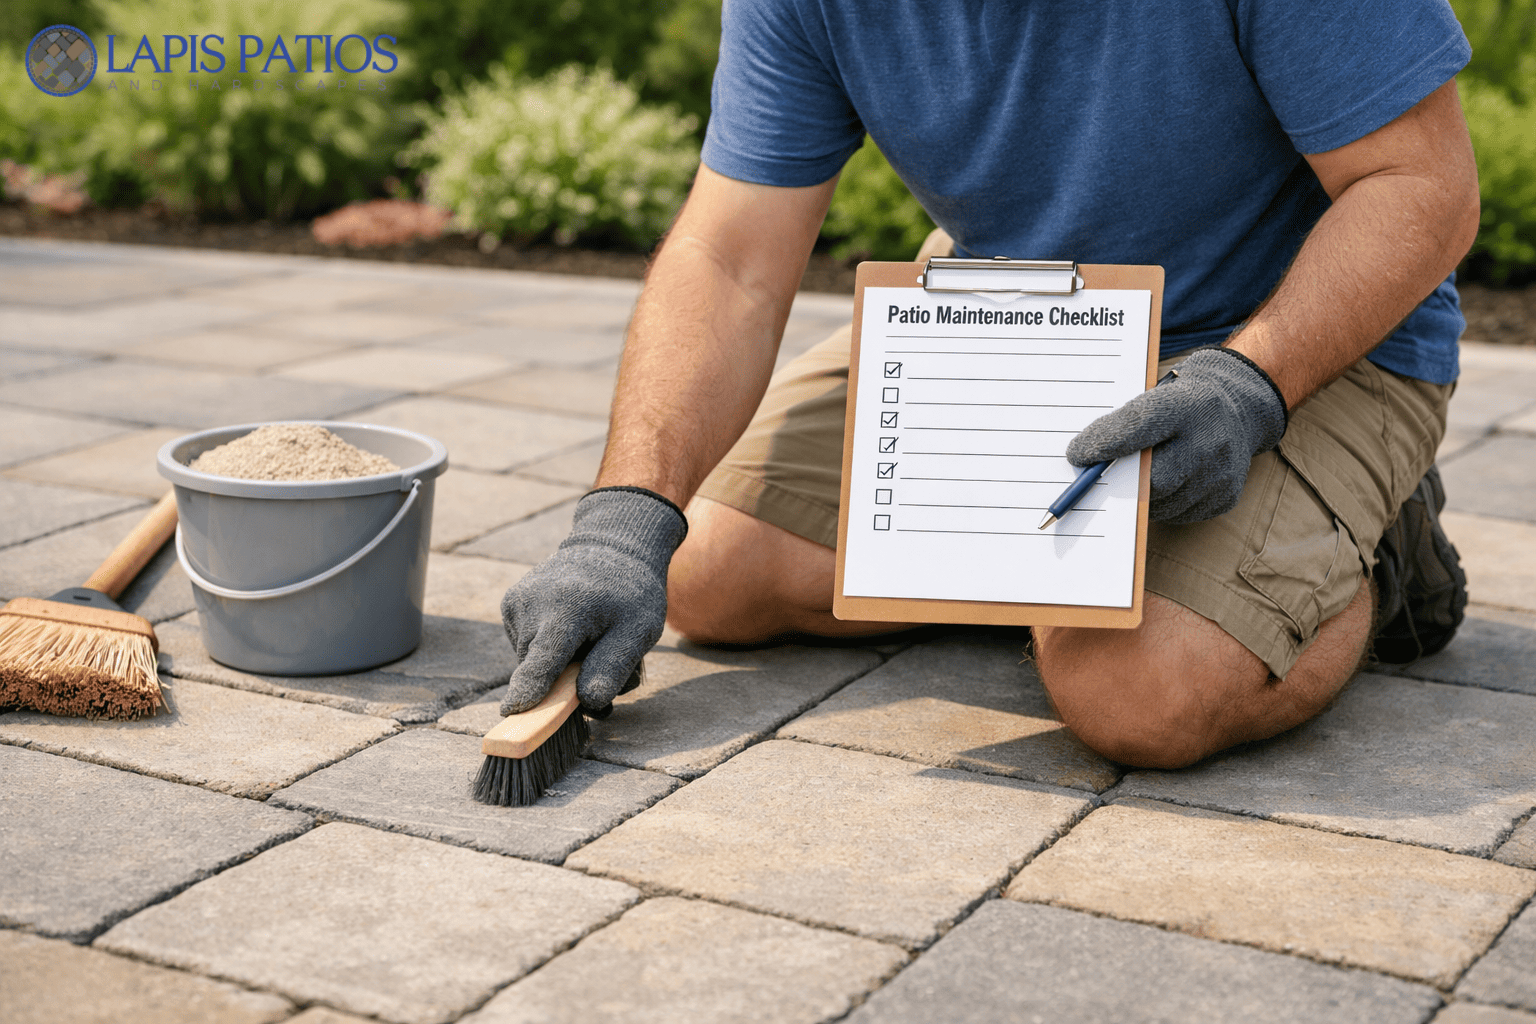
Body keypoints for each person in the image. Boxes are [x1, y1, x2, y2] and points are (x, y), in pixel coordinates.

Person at [498, 0, 1478, 769]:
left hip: (1300, 340)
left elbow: (1421, 187)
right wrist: (622, 518)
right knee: (708, 569)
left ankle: (1371, 544)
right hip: (1019, 311)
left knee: (1138, 690)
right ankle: (1068, 568)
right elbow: (731, 258)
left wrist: (1253, 383)